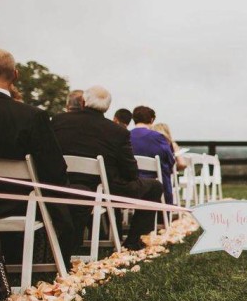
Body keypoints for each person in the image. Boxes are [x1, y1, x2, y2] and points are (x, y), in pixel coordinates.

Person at [0, 48, 88, 270]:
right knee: (70, 200)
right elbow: (54, 171)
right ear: (15, 75)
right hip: (19, 204)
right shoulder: (32, 116)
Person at [51, 86, 163, 251]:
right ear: (108, 107)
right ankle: (132, 240)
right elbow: (131, 171)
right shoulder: (117, 131)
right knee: (155, 186)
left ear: (83, 101)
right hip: (107, 190)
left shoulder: (58, 121)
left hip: (64, 186)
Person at [130, 107, 176, 206]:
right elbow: (170, 160)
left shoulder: (126, 135)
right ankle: (164, 214)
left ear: (134, 119)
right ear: (151, 120)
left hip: (132, 182)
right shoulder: (158, 137)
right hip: (156, 184)